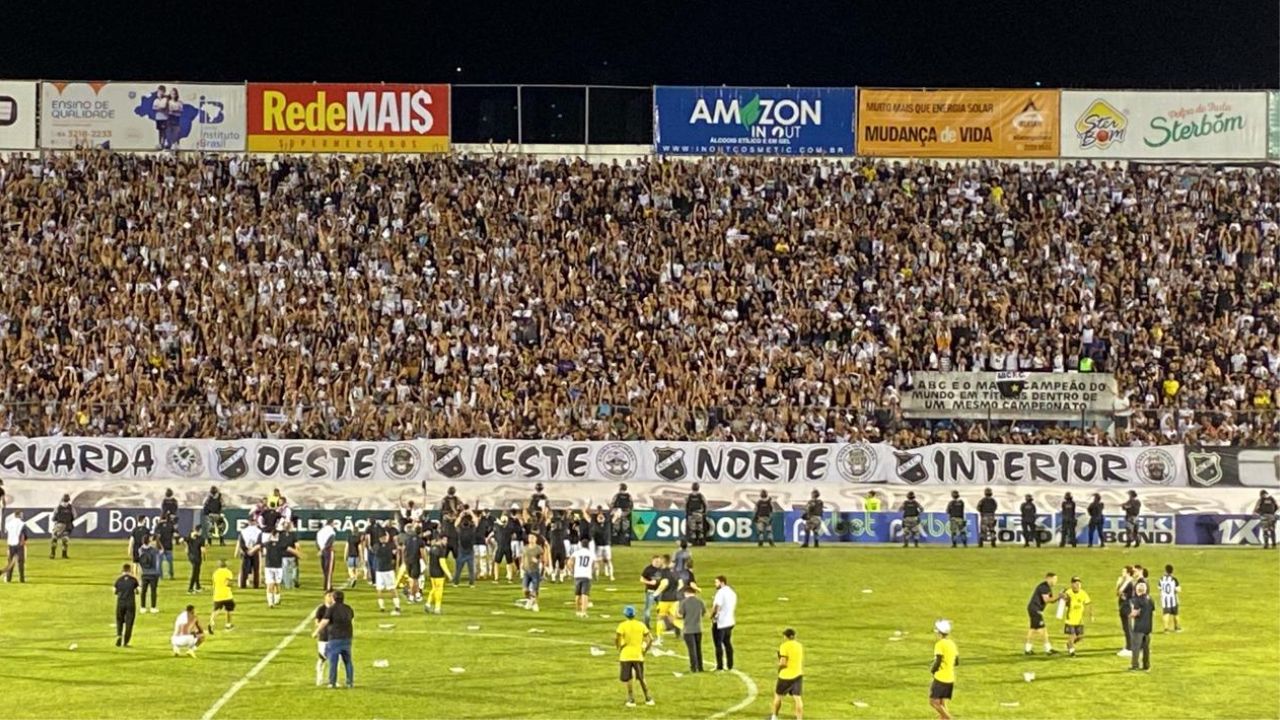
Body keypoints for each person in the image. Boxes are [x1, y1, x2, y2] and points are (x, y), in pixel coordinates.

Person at [314, 590, 355, 688]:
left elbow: (324, 621)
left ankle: (332, 682)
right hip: (347, 638)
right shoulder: (348, 608)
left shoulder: (331, 609)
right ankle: (350, 682)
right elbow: (352, 621)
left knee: (333, 661)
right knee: (348, 661)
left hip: (335, 638)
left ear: (334, 598)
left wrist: (316, 632)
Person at [616, 605, 655, 707]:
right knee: (641, 677)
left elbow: (618, 639)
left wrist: (619, 647)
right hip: (638, 655)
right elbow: (650, 639)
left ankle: (631, 699)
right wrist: (645, 650)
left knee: (628, 678)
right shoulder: (641, 625)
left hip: (625, 655)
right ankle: (648, 698)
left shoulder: (622, 625)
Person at [770, 628, 804, 720]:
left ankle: (774, 717)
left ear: (786, 636)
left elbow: (783, 663)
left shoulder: (784, 646)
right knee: (798, 699)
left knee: (778, 697)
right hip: (797, 675)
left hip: (785, 676)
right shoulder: (799, 646)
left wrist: (779, 667)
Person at [929, 620, 958, 720]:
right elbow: (956, 661)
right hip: (950, 677)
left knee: (933, 702)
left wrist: (933, 670)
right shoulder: (952, 644)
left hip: (941, 677)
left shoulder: (940, 644)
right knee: (942, 703)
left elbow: (938, 660)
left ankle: (949, 718)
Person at [1025, 572, 1059, 655]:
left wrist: (1060, 598)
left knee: (1032, 630)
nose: (1055, 581)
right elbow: (1046, 600)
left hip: (1033, 609)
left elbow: (1051, 600)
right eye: (1054, 579)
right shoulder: (1044, 587)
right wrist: (1059, 596)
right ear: (1048, 578)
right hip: (1035, 609)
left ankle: (1027, 649)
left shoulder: (1047, 587)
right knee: (1043, 630)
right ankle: (1048, 649)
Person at [262, 531, 299, 609]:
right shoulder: (270, 544)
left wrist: (298, 554)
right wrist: (299, 554)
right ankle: (270, 602)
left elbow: (289, 549)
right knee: (271, 584)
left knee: (276, 584)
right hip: (271, 567)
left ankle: (276, 599)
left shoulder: (273, 544)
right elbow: (290, 549)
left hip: (275, 567)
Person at [373, 523, 401, 615]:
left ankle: (382, 607)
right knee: (391, 588)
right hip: (388, 570)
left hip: (380, 570)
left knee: (380, 589)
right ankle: (396, 606)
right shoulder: (390, 546)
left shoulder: (376, 547)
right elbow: (395, 554)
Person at [1126, 581, 1155, 671]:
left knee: (1136, 648)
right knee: (1146, 648)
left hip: (1138, 627)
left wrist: (1129, 616)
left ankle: (1135, 665)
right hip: (1148, 627)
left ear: (1136, 590)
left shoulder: (1135, 600)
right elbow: (1152, 610)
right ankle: (1146, 666)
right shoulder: (1150, 599)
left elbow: (1135, 613)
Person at [677, 585, 706, 672]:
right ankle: (700, 667)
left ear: (686, 593)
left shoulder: (684, 602)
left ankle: (693, 668)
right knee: (698, 649)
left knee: (691, 650)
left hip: (688, 629)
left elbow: (680, 615)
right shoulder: (700, 601)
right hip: (698, 628)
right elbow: (703, 613)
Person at [1062, 576, 1093, 656]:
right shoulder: (1068, 593)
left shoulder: (1083, 593)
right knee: (1072, 635)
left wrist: (1091, 614)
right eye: (1076, 583)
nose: (1078, 585)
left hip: (1079, 620)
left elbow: (1088, 603)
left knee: (1080, 637)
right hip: (1070, 619)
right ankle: (1072, 651)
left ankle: (1069, 644)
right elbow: (1064, 602)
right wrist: (1064, 598)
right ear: (1072, 584)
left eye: (1079, 583)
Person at [711, 575, 737, 671]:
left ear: (722, 583)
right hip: (730, 621)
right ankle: (730, 664)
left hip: (721, 622)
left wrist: (712, 615)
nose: (715, 584)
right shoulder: (732, 592)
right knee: (727, 643)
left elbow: (717, 606)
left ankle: (720, 666)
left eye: (716, 582)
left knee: (718, 645)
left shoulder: (720, 593)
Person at [113, 563, 140, 647]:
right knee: (129, 623)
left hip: (120, 602)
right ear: (130, 570)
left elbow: (114, 591)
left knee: (119, 620)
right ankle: (126, 641)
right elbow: (138, 591)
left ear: (122, 570)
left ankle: (119, 635)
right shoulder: (133, 580)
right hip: (130, 603)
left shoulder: (118, 580)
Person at [424, 536, 451, 615]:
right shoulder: (440, 550)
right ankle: (437, 608)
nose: (446, 542)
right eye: (445, 540)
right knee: (439, 591)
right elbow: (442, 563)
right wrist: (449, 574)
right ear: (440, 540)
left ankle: (428, 603)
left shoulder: (432, 548)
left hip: (432, 571)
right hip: (439, 573)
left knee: (434, 589)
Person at [521, 532, 547, 612]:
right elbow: (523, 557)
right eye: (530, 538)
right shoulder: (525, 548)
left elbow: (543, 559)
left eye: (532, 538)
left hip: (535, 571)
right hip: (526, 571)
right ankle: (529, 600)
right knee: (525, 590)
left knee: (535, 590)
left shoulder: (538, 548)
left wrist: (538, 561)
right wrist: (521, 565)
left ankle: (535, 604)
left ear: (535, 539)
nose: (531, 539)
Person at [1115, 565, 1137, 657]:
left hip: (1127, 606)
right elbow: (1117, 593)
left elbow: (1120, 592)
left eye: (1124, 571)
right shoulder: (1125, 581)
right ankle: (1129, 646)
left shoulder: (1129, 582)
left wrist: (1119, 583)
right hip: (1123, 606)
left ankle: (1130, 648)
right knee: (1125, 628)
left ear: (1128, 573)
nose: (1122, 573)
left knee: (1128, 628)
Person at [314, 590, 335, 686]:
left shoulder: (336, 609)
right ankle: (319, 678)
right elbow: (317, 621)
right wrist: (320, 629)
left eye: (332, 596)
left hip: (334, 637)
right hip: (323, 637)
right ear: (325, 597)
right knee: (322, 658)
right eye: (329, 596)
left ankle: (333, 679)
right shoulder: (321, 609)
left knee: (335, 659)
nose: (330, 598)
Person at [139, 536, 164, 614]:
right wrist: (158, 540)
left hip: (144, 573)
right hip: (153, 573)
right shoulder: (153, 550)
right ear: (149, 541)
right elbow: (162, 550)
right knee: (153, 591)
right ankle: (153, 607)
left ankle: (143, 607)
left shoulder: (140, 550)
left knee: (143, 591)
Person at [210, 559, 236, 632]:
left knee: (216, 610)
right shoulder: (228, 572)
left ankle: (211, 622)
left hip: (217, 594)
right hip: (227, 595)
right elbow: (228, 583)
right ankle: (228, 625)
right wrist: (233, 584)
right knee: (229, 610)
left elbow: (214, 584)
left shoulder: (215, 573)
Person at [236, 517, 263, 589]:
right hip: (255, 551)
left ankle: (243, 584)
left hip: (246, 552)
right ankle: (256, 585)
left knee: (244, 569)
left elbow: (242, 543)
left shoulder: (243, 531)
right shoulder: (259, 531)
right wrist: (253, 550)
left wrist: (246, 550)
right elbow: (259, 542)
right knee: (256, 570)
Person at [572, 537, 594, 619]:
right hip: (586, 575)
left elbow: (570, 562)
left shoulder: (577, 552)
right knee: (585, 594)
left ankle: (577, 611)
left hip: (577, 575)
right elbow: (594, 565)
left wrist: (572, 571)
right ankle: (583, 612)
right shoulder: (591, 553)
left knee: (577, 594)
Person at [4, 509, 28, 582]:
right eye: (21, 515)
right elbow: (23, 535)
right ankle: (22, 579)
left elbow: (6, 532)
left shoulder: (9, 523)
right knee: (21, 562)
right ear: (19, 515)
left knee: (10, 561)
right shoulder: (22, 524)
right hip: (19, 544)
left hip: (10, 544)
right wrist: (23, 542)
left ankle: (8, 578)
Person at [592, 508, 615, 580]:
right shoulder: (594, 524)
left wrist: (614, 510)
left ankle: (611, 575)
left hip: (606, 545)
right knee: (597, 561)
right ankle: (596, 576)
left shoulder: (608, 523)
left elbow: (614, 517)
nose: (601, 517)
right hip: (598, 546)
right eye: (599, 516)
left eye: (602, 516)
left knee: (608, 561)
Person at [641, 555, 663, 628]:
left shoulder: (662, 569)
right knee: (648, 609)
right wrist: (650, 582)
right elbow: (641, 579)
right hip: (650, 592)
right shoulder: (648, 569)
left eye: (659, 561)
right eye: (656, 561)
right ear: (652, 561)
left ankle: (660, 625)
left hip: (660, 592)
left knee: (661, 609)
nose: (658, 563)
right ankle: (646, 625)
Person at [453, 513, 476, 587]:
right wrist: (471, 513)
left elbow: (455, 525)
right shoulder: (472, 530)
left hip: (462, 552)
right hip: (469, 552)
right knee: (471, 570)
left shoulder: (460, 531)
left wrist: (460, 515)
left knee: (458, 569)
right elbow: (476, 522)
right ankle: (471, 583)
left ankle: (456, 583)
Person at [1158, 564, 1182, 633]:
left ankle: (1166, 629)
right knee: (1176, 614)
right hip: (1173, 599)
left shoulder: (1161, 579)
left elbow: (1159, 588)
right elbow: (1178, 590)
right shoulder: (1174, 579)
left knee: (1166, 613)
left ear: (1165, 571)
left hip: (1165, 599)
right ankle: (1177, 628)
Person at [51, 494, 75, 559]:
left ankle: (52, 554)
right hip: (67, 525)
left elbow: (53, 518)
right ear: (69, 500)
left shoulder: (58, 507)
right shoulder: (71, 507)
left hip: (59, 525)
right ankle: (64, 555)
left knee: (54, 539)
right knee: (65, 540)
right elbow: (74, 516)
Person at [155, 513, 178, 580]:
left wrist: (161, 546)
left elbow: (157, 537)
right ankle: (171, 575)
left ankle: (160, 576)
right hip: (168, 546)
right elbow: (175, 534)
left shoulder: (159, 525)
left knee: (159, 562)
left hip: (160, 547)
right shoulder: (171, 525)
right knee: (170, 562)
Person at [183, 526, 205, 593]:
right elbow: (203, 549)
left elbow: (181, 540)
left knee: (197, 572)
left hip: (191, 556)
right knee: (195, 573)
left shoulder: (190, 537)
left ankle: (198, 587)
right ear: (199, 530)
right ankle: (190, 588)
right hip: (197, 557)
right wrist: (204, 555)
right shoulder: (201, 539)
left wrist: (186, 547)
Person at [343, 521, 362, 589]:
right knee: (356, 569)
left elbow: (347, 547)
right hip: (356, 555)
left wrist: (345, 556)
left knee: (350, 569)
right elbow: (360, 548)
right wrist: (361, 557)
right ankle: (355, 578)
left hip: (350, 555)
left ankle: (352, 577)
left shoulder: (349, 538)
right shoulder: (358, 538)